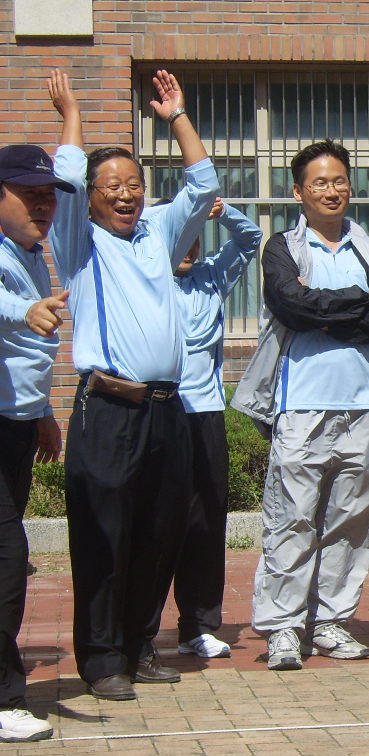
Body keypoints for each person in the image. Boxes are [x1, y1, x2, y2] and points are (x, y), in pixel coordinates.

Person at [49, 68, 220, 701]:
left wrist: (177, 117)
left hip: (168, 411)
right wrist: (72, 117)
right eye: (112, 187)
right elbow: (66, 181)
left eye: (134, 186)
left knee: (159, 532)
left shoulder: (157, 235)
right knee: (104, 537)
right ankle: (100, 659)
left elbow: (204, 185)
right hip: (108, 409)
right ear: (93, 197)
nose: (125, 196)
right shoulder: (79, 241)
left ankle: (139, 646)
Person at [237, 139, 369, 671]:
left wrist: (326, 314)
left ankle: (332, 620)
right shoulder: (283, 248)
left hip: (363, 404)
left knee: (352, 521)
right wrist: (358, 302)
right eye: (319, 183)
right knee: (291, 518)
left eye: (339, 181)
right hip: (300, 405)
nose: (331, 191)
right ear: (299, 192)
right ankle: (284, 628)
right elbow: (291, 305)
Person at [165, 198, 262, 658]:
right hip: (157, 412)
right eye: (180, 236)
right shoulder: (144, 281)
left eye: (195, 238)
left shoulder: (211, 277)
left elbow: (251, 239)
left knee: (205, 522)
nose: (189, 247)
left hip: (204, 414)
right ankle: (137, 629)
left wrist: (222, 213)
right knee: (154, 521)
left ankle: (198, 625)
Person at [0, 144, 74, 742]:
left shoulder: (31, 254)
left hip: (16, 426)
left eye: (48, 196)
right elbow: (15, 315)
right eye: (29, 195)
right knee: (7, 558)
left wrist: (44, 410)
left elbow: (24, 355)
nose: (43, 206)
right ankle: (5, 697)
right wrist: (24, 309)